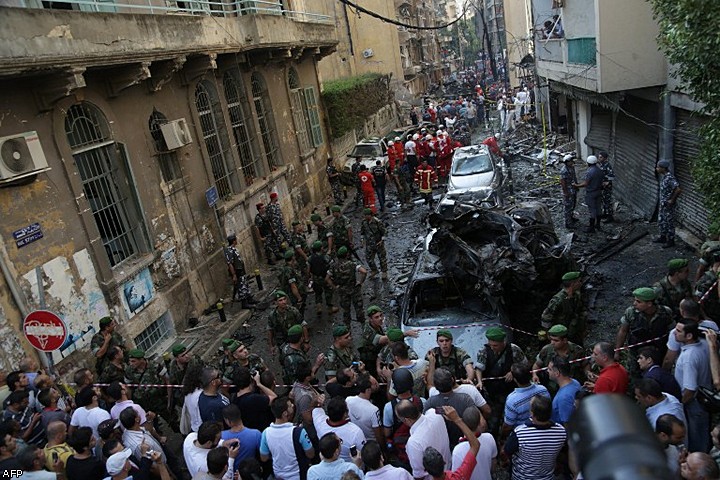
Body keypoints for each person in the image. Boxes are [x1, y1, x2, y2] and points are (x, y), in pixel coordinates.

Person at [475, 327, 527, 436]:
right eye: (491, 345)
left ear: (503, 342)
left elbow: (524, 364)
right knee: (493, 423)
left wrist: (513, 372)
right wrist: (479, 381)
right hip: (492, 394)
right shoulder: (484, 351)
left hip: (510, 392)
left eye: (495, 345)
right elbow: (479, 368)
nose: (493, 348)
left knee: (511, 420)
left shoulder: (514, 350)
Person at [503, 395, 566, 480]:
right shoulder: (561, 431)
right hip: (547, 477)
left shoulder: (520, 433)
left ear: (532, 413)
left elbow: (507, 451)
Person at [674, 319, 712, 452]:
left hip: (695, 403)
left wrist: (679, 405)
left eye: (678, 331)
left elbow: (690, 389)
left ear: (689, 336)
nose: (674, 333)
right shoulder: (703, 344)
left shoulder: (688, 358)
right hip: (704, 396)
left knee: (697, 439)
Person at [615, 287, 675, 364]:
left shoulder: (665, 312)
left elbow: (673, 332)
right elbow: (623, 331)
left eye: (638, 302)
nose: (634, 304)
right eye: (635, 300)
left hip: (659, 352)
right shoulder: (631, 313)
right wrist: (617, 351)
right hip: (636, 352)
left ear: (649, 304)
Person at [260, 397, 315, 480]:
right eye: (290, 406)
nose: (293, 406)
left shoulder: (265, 433)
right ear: (285, 413)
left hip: (278, 475)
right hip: (298, 475)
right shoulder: (299, 432)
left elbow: (264, 458)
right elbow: (311, 454)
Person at [396, 399, 450, 480]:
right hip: (449, 469)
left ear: (407, 420)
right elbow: (444, 410)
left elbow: (419, 475)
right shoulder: (434, 413)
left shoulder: (413, 443)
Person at [382, 369, 427, 468]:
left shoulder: (389, 407)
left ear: (394, 387)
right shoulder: (422, 402)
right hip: (421, 446)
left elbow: (387, 433)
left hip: (401, 453)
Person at [423, 369, 476, 450]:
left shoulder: (430, 402)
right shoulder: (465, 399)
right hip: (465, 443)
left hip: (441, 445)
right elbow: (480, 423)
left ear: (436, 386)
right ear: (452, 380)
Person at [423, 406, 481, 480]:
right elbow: (475, 445)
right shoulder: (459, 477)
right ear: (444, 462)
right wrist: (457, 419)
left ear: (426, 471)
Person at [532, 324, 588, 392]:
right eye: (551, 339)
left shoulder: (577, 351)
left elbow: (585, 365)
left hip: (572, 386)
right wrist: (534, 375)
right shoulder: (546, 350)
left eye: (556, 340)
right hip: (552, 388)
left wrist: (588, 373)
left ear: (564, 340)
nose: (552, 343)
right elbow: (537, 365)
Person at [501, 363, 551, 438]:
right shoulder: (543, 390)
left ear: (515, 380)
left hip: (522, 436)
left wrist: (503, 437)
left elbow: (507, 426)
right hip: (544, 432)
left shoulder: (512, 400)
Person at [541, 271, 588, 346]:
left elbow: (581, 310)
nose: (581, 283)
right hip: (561, 334)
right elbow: (546, 317)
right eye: (579, 281)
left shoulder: (576, 295)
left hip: (574, 331)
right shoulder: (557, 300)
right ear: (573, 284)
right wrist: (550, 334)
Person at [450, 407, 496, 480]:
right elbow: (493, 464)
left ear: (463, 423)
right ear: (480, 423)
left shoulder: (458, 450)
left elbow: (456, 476)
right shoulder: (489, 438)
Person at [326, 247, 367, 326]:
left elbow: (327, 278)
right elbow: (364, 272)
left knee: (346, 310)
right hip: (354, 289)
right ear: (347, 254)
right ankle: (363, 324)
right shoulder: (352, 264)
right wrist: (360, 282)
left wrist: (335, 287)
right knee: (359, 308)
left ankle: (347, 327)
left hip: (342, 290)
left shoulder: (333, 266)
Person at [124, 349, 167, 419]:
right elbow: (128, 387)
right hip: (144, 403)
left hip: (160, 400)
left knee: (172, 419)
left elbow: (166, 380)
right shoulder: (129, 371)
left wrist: (169, 398)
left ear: (141, 360)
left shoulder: (154, 365)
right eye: (130, 361)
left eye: (133, 361)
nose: (131, 363)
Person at [232, 367, 276, 432]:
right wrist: (259, 384)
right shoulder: (254, 399)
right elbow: (274, 398)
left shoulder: (234, 398)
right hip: (258, 433)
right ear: (251, 380)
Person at [267, 290, 307, 360]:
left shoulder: (293, 311)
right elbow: (270, 330)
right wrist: (271, 345)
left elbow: (303, 324)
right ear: (276, 302)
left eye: (284, 299)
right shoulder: (272, 316)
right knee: (285, 360)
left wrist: (306, 341)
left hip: (296, 341)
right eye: (280, 300)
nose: (284, 302)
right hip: (282, 342)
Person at [221, 405, 262, 470]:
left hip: (229, 473)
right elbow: (263, 455)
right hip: (248, 473)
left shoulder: (222, 436)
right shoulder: (256, 434)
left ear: (228, 421)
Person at [346, 374, 383, 444]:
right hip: (372, 442)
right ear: (368, 390)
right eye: (374, 384)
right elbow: (378, 434)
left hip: (356, 439)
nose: (376, 385)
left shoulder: (348, 400)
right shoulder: (374, 410)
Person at [572, 155, 604, 233]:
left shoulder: (590, 172)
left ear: (589, 163)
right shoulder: (600, 170)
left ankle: (591, 227)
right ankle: (598, 225)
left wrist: (576, 185)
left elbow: (586, 183)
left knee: (592, 210)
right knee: (599, 208)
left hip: (591, 193)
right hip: (599, 191)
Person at [655, 159, 682, 248]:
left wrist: (672, 200)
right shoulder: (664, 177)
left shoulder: (670, 178)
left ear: (663, 168)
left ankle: (670, 241)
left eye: (658, 167)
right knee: (662, 220)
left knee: (669, 222)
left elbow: (678, 189)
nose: (656, 169)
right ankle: (663, 237)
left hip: (668, 205)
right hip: (663, 204)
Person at [547, 356, 582, 425]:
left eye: (549, 369)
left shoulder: (563, 398)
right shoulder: (575, 382)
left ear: (557, 373)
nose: (547, 371)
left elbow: (567, 424)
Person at [225, 234, 257, 309]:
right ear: (233, 241)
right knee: (241, 287)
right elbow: (230, 264)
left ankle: (249, 299)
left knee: (245, 285)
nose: (237, 241)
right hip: (237, 272)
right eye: (236, 240)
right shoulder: (229, 251)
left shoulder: (234, 249)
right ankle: (244, 303)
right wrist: (234, 275)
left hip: (241, 270)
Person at [308, 240, 337, 316]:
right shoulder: (325, 257)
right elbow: (332, 266)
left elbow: (308, 269)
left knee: (317, 293)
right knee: (328, 292)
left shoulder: (310, 258)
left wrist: (310, 277)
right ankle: (330, 308)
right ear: (321, 248)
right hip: (325, 277)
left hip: (315, 278)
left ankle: (319, 307)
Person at [361, 209, 388, 281]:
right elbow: (362, 232)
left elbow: (384, 232)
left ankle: (384, 272)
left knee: (382, 258)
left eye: (367, 215)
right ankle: (374, 270)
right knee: (369, 258)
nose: (366, 217)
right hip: (369, 244)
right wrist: (362, 240)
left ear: (371, 215)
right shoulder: (364, 223)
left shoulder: (377, 222)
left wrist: (382, 240)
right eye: (365, 215)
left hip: (378, 243)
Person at [278, 250, 307, 315]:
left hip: (291, 295)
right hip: (293, 296)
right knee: (298, 312)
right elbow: (293, 286)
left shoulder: (285, 268)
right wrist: (299, 298)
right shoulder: (289, 271)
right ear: (292, 257)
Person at [559, 154, 578, 228]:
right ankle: (568, 223)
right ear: (566, 162)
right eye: (570, 161)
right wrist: (565, 192)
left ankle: (571, 217)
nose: (572, 162)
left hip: (573, 189)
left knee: (573, 205)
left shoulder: (571, 167)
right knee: (568, 207)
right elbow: (563, 182)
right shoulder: (564, 170)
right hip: (568, 190)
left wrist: (576, 185)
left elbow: (574, 177)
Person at [596, 151, 615, 222]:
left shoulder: (607, 165)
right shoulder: (601, 165)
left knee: (607, 201)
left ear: (605, 158)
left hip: (607, 187)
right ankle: (605, 213)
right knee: (603, 201)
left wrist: (607, 182)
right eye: (599, 157)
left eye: (601, 157)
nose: (599, 158)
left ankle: (610, 216)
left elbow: (612, 176)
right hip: (602, 187)